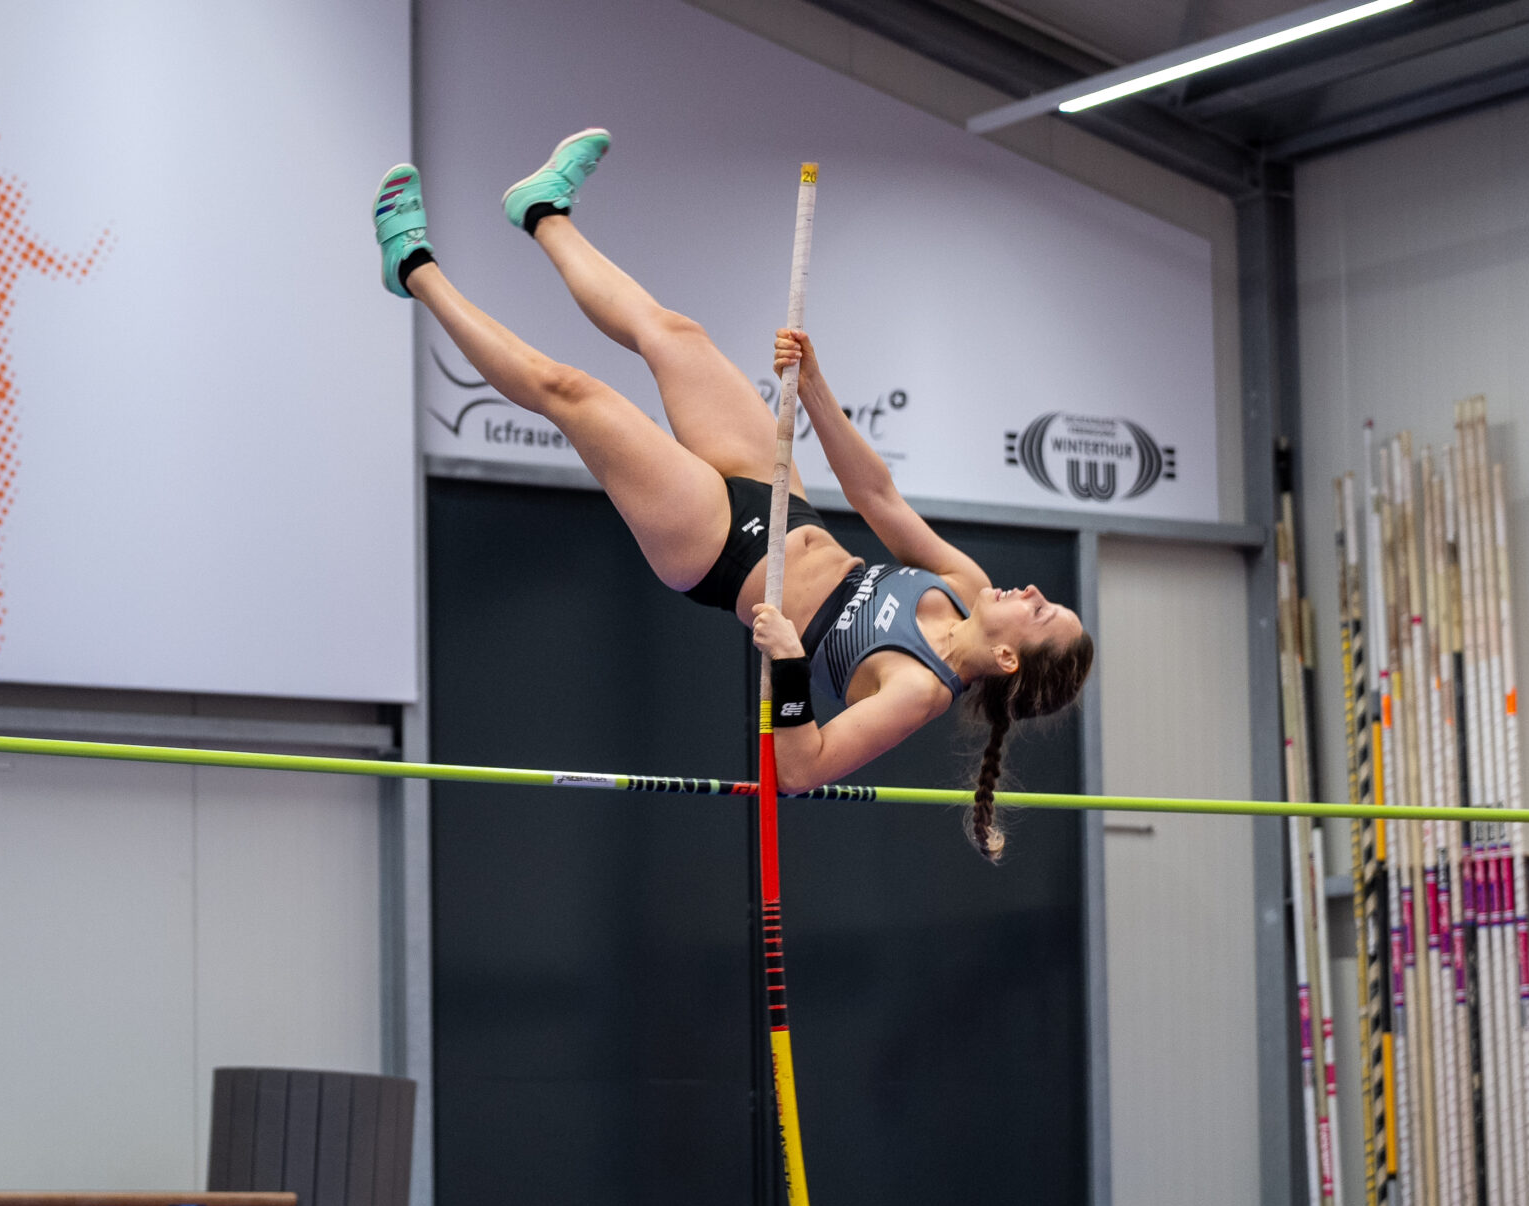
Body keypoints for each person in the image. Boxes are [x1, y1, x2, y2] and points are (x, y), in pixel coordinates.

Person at [373, 129, 1093, 857]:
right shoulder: (965, 585)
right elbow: (877, 497)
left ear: (1010, 659)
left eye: (1041, 612)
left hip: (718, 551)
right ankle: (542, 211)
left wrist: (789, 665)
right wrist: (815, 389)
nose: (1033, 592)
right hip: (782, 503)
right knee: (674, 334)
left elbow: (801, 771)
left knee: (574, 393)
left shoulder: (919, 690)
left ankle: (413, 267)